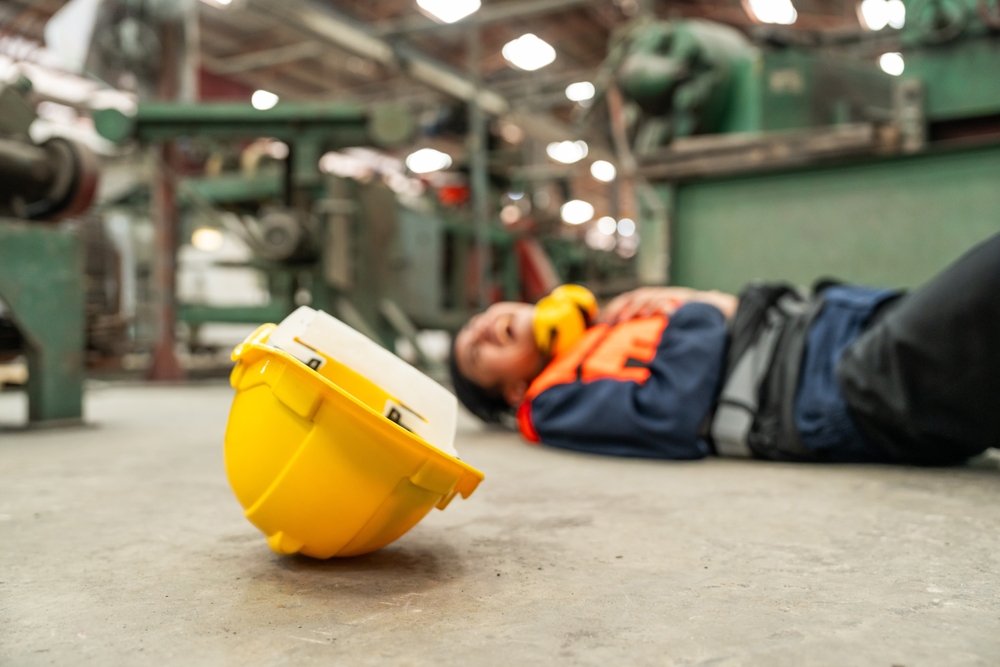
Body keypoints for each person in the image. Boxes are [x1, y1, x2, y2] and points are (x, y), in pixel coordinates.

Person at [449, 232, 1000, 466]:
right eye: (477, 351)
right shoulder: (551, 403)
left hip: (838, 326)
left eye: (480, 319)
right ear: (515, 388)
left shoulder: (611, 325)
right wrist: (700, 307)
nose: (482, 327)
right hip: (837, 389)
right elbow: (669, 415)